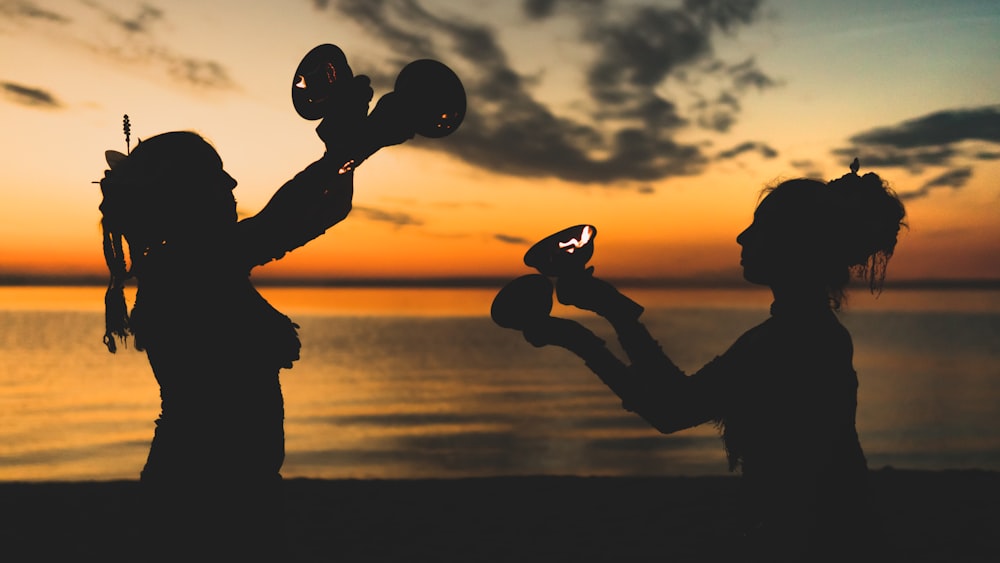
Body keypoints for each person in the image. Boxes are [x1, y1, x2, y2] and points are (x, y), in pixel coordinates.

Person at [499, 160, 906, 562]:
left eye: (760, 227)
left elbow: (671, 409)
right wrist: (597, 321)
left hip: (816, 543)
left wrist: (600, 323)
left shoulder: (789, 341)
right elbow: (669, 405)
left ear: (794, 243)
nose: (741, 237)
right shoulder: (813, 333)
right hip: (830, 533)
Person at [96, 75, 395, 561]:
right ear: (187, 195)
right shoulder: (192, 265)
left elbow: (324, 208)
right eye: (218, 175)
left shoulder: (189, 263)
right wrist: (356, 142)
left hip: (221, 488)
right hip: (206, 498)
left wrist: (353, 144)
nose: (232, 184)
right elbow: (294, 213)